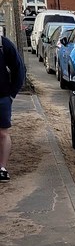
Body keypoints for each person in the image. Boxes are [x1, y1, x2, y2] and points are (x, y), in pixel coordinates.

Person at [0, 32, 27, 181]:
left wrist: (11, 95)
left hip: (2, 97)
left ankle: (2, 168)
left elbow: (19, 69)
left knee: (3, 133)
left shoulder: (4, 44)